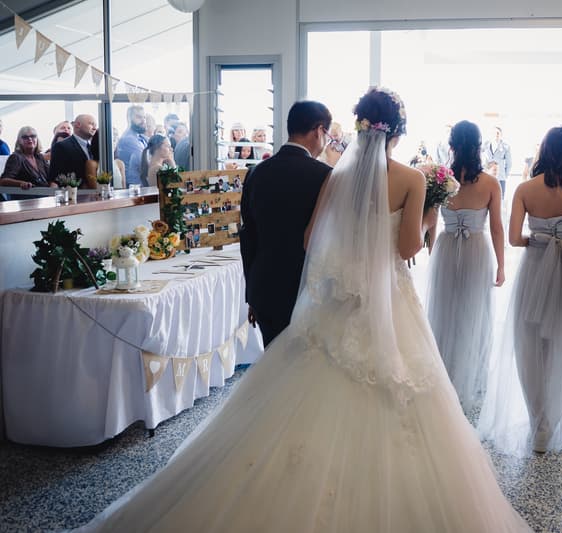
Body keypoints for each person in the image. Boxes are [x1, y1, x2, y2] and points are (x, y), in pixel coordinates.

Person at [76, 87, 532, 532]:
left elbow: (313, 240)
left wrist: (345, 264)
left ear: (359, 128)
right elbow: (409, 247)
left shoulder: (338, 177)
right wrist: (428, 217)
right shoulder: (412, 180)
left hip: (337, 302)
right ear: (397, 132)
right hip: (389, 303)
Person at [479, 126, 562, 455]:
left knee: (530, 345)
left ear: (543, 151)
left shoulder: (524, 189)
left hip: (534, 270)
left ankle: (538, 422)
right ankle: (556, 413)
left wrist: (541, 240)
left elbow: (515, 238)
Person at [426, 120, 505, 414]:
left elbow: (432, 221)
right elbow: (496, 228)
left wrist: (434, 251)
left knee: (445, 310)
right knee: (474, 311)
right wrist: (501, 265)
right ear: (479, 145)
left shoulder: (441, 179)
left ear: (452, 145)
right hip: (476, 249)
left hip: (447, 246)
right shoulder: (490, 183)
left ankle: (443, 373)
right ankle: (469, 375)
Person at [239, 101, 333, 346]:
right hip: (305, 289)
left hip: (264, 289)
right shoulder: (324, 175)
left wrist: (252, 295)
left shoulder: (256, 172)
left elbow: (248, 236)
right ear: (319, 130)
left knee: (273, 365)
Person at [48, 114, 97, 187]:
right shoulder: (61, 146)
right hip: (73, 193)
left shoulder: (94, 147)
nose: (94, 128)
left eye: (95, 125)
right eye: (91, 124)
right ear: (78, 125)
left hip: (95, 193)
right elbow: (55, 176)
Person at [0, 126, 51, 196]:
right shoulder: (16, 157)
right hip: (26, 200)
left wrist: (53, 189)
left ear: (37, 139)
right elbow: (3, 181)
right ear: (19, 141)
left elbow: (51, 178)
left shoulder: (39, 157)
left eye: (33, 136)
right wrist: (21, 183)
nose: (30, 139)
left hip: (46, 198)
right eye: (25, 137)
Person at [115, 105, 148, 185]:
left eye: (144, 117)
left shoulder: (141, 137)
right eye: (139, 117)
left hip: (141, 186)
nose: (143, 121)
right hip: (134, 187)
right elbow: (145, 163)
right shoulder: (128, 139)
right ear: (129, 119)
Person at [483, 126, 512, 199]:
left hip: (500, 177)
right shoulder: (486, 144)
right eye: (494, 133)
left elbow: (509, 163)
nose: (496, 134)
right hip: (488, 176)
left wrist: (505, 175)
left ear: (501, 135)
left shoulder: (505, 146)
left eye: (498, 133)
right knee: (487, 197)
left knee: (499, 198)